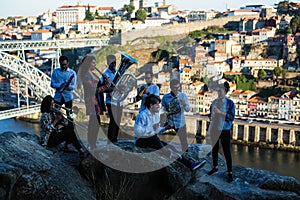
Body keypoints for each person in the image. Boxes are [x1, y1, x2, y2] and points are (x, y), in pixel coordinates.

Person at [134, 94, 206, 171]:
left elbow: (156, 130)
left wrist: (165, 128)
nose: (159, 106)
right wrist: (151, 129)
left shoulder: (155, 115)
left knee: (170, 147)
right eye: (157, 104)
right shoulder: (142, 115)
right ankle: (172, 155)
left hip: (151, 140)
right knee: (156, 139)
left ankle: (190, 164)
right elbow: (138, 132)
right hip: (141, 141)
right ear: (151, 105)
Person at [207, 81, 235, 183]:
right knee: (214, 149)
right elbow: (210, 116)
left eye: (221, 89)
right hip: (215, 128)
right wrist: (211, 115)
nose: (219, 91)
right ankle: (215, 167)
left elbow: (231, 117)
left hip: (225, 129)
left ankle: (230, 172)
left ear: (226, 91)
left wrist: (220, 113)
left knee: (227, 151)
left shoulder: (230, 103)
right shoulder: (214, 102)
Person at [78, 55, 104, 150]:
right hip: (91, 101)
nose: (95, 64)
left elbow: (99, 87)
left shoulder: (93, 74)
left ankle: (93, 143)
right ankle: (91, 144)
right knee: (94, 122)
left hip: (96, 100)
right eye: (93, 63)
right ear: (88, 64)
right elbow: (92, 89)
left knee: (96, 122)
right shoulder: (86, 76)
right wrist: (104, 87)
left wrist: (107, 85)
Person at [97, 54, 123, 143]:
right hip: (111, 101)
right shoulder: (105, 75)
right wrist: (112, 88)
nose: (113, 64)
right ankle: (110, 141)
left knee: (118, 121)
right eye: (111, 63)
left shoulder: (118, 73)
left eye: (115, 62)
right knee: (113, 121)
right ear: (108, 63)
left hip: (120, 100)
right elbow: (101, 89)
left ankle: (114, 140)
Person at [161, 79, 190, 154]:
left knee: (184, 142)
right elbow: (163, 109)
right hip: (170, 122)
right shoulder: (165, 97)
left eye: (178, 87)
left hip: (180, 123)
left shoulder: (183, 96)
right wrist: (166, 114)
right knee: (160, 138)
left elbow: (187, 109)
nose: (176, 89)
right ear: (170, 87)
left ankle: (187, 158)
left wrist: (184, 104)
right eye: (174, 88)